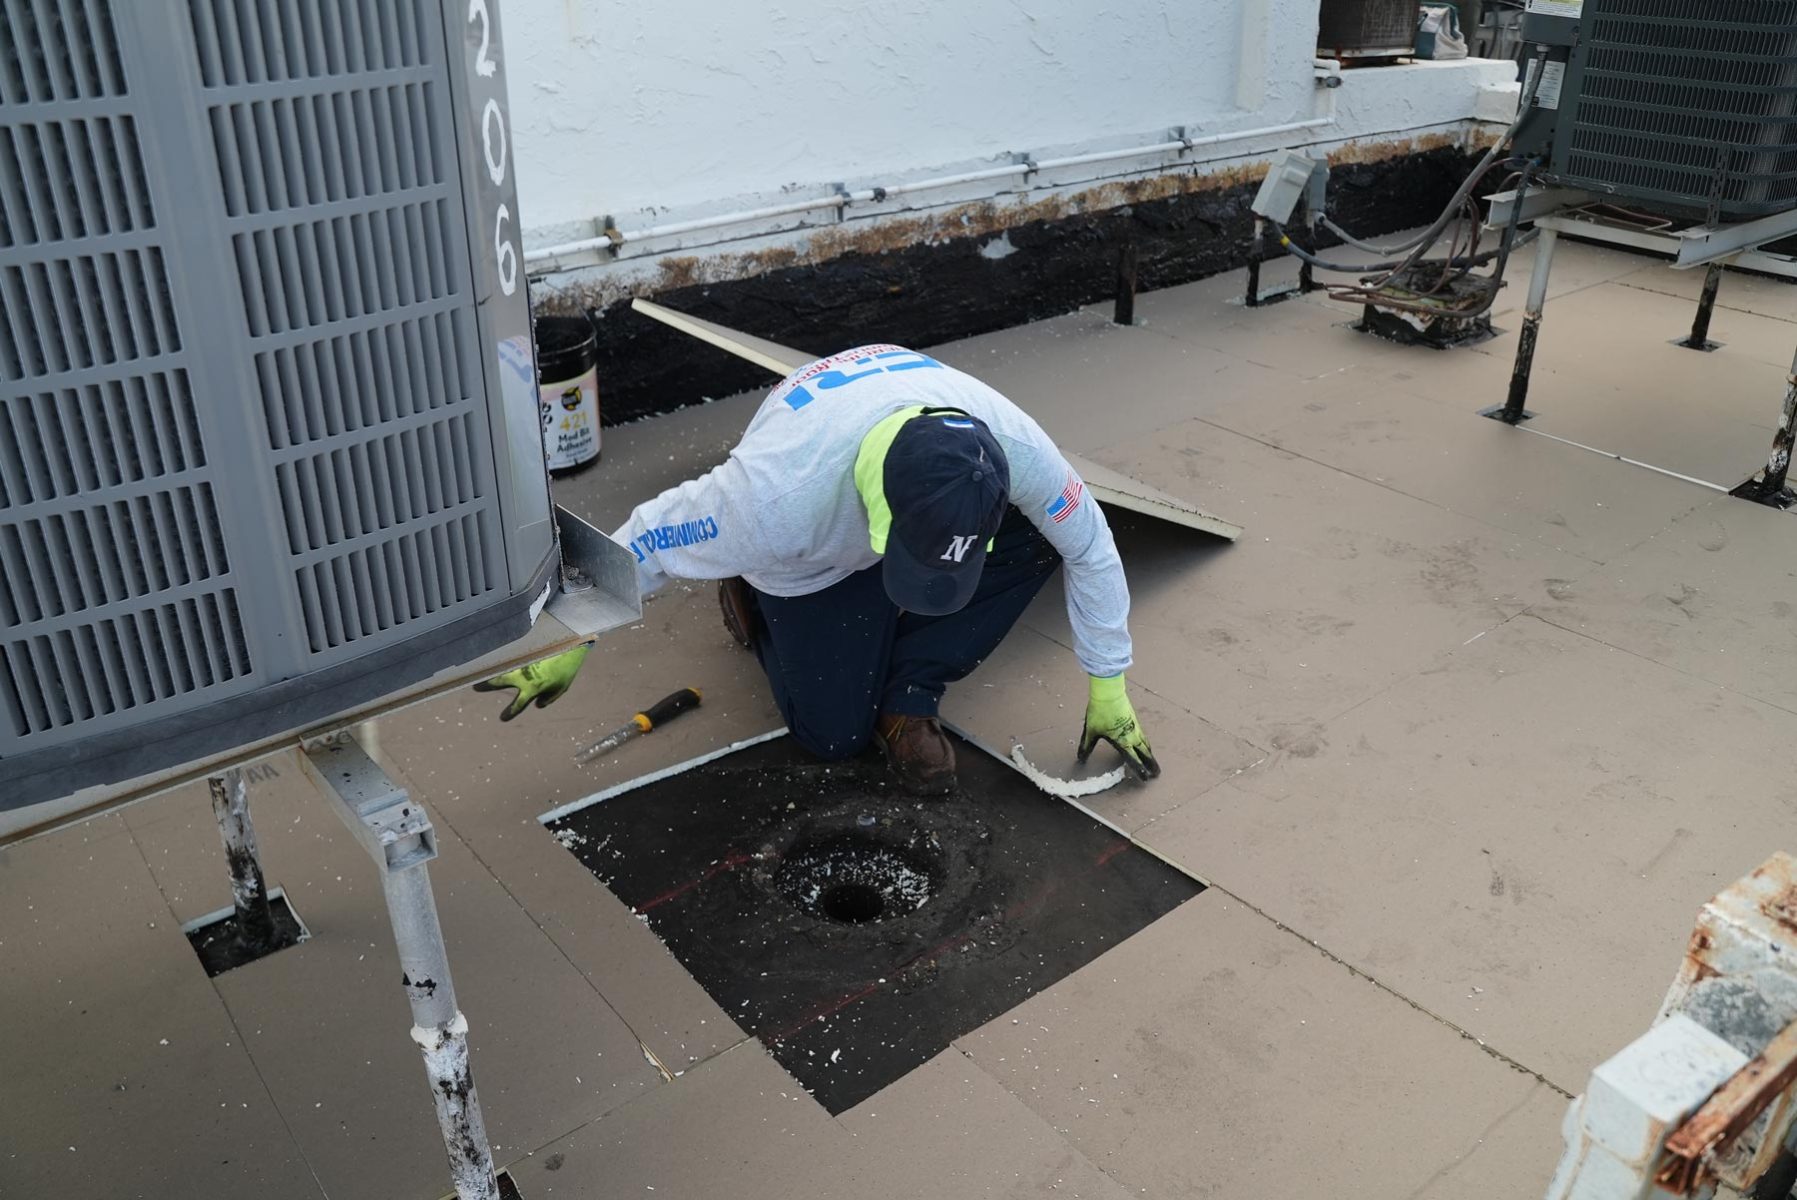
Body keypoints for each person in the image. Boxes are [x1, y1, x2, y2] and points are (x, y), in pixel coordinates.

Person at [479, 343, 1157, 795]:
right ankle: (746, 593)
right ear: (881, 516)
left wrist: (1108, 682)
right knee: (832, 738)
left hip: (885, 407)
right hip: (808, 553)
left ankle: (909, 694)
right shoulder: (769, 502)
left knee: (1041, 538)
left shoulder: (1010, 451)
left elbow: (1090, 545)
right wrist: (576, 635)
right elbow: (650, 538)